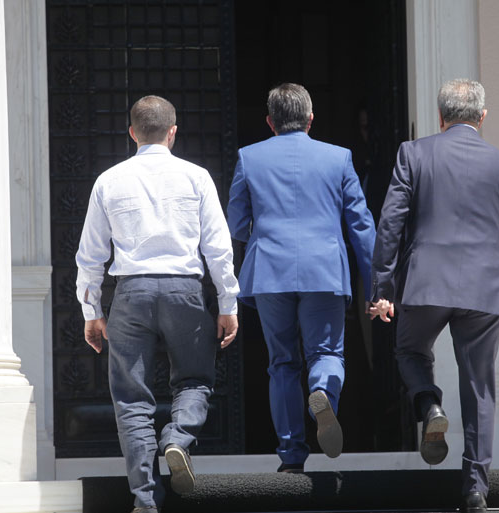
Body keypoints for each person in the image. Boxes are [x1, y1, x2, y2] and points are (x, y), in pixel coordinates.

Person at [368, 79, 499, 513]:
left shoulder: (413, 154)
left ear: (440, 117)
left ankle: (429, 403)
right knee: (479, 387)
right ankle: (475, 489)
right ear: (483, 117)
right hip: (486, 289)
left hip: (426, 282)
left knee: (410, 351)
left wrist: (383, 289)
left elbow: (390, 223)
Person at [75, 95, 239, 513]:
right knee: (195, 380)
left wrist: (92, 313)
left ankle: (146, 500)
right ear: (173, 132)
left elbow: (90, 256)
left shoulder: (109, 180)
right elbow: (218, 247)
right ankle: (178, 439)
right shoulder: (196, 177)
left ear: (132, 133)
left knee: (132, 400)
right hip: (185, 289)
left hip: (131, 293)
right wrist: (227, 303)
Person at [227, 83, 376, 472]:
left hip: (269, 272)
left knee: (282, 363)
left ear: (269, 122)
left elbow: (236, 223)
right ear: (311, 120)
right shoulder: (339, 158)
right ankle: (323, 391)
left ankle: (292, 456)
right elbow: (361, 227)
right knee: (326, 354)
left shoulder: (249, 157)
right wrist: (376, 287)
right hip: (324, 271)